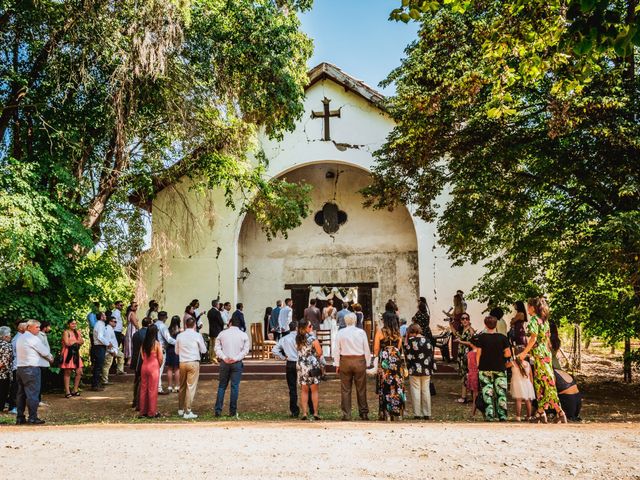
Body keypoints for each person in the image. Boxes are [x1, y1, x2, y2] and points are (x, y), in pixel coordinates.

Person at [518, 297, 567, 423]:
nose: (527, 308)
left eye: (528, 306)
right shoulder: (544, 321)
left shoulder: (534, 320)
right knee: (540, 383)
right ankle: (541, 412)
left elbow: (533, 339)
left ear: (533, 308)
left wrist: (524, 353)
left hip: (540, 356)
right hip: (545, 354)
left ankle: (560, 412)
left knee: (548, 383)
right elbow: (546, 340)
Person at [473, 316, 511, 422]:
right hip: (500, 368)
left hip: (485, 368)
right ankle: (502, 415)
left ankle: (489, 415)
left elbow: (478, 353)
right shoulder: (503, 338)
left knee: (487, 392)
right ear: (496, 325)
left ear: (485, 325)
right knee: (501, 393)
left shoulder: (481, 337)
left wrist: (477, 365)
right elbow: (508, 353)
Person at [334, 312, 371, 421]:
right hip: (359, 360)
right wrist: (367, 363)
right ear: (355, 320)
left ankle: (346, 414)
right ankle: (363, 413)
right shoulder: (361, 332)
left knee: (345, 389)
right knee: (361, 388)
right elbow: (366, 349)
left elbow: (337, 349)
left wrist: (337, 364)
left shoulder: (341, 332)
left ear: (345, 321)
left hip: (345, 360)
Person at [16, 320, 53, 425]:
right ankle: (32, 417)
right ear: (29, 327)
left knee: (21, 394)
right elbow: (45, 352)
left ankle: (20, 417)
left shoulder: (20, 338)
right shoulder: (33, 339)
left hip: (20, 368)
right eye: (36, 327)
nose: (38, 329)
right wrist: (51, 357)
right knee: (33, 394)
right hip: (31, 369)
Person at [373, 301, 406, 421]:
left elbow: (376, 349)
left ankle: (385, 411)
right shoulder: (398, 333)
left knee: (385, 385)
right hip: (396, 361)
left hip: (385, 361)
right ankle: (396, 410)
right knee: (396, 385)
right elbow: (399, 348)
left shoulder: (381, 332)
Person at [272, 320, 310, 418]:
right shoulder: (303, 338)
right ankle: (311, 409)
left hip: (290, 363)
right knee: (305, 387)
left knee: (292, 388)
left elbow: (274, 350)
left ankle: (294, 411)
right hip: (301, 363)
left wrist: (283, 357)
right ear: (297, 328)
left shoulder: (284, 339)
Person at [214, 316, 250, 418]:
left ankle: (218, 410)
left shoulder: (222, 333)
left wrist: (224, 357)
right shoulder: (243, 335)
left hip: (225, 362)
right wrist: (236, 358)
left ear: (230, 323)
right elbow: (245, 350)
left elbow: (217, 348)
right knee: (234, 387)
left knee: (222, 386)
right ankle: (233, 411)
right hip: (237, 362)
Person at [176, 317, 207, 419]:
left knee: (182, 386)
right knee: (191, 387)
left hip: (182, 363)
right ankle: (187, 412)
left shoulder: (180, 336)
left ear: (185, 325)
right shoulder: (197, 335)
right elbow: (203, 350)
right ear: (194, 325)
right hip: (193, 362)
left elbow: (176, 351)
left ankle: (180, 409)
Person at [405, 323, 435, 420]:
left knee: (415, 391)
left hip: (414, 369)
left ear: (412, 332)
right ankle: (427, 413)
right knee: (426, 390)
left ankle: (417, 413)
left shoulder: (411, 341)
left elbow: (408, 357)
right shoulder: (428, 341)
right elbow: (431, 356)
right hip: (426, 369)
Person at [295, 320, 323, 421]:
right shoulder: (313, 338)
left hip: (301, 365)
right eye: (310, 325)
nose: (311, 327)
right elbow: (319, 352)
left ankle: (304, 413)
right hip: (311, 365)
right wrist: (314, 355)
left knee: (304, 390)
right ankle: (315, 413)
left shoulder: (298, 338)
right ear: (307, 327)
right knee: (314, 390)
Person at [138, 324, 163, 418]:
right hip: (154, 367)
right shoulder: (156, 343)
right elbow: (160, 358)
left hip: (144, 366)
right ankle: (152, 412)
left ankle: (142, 411)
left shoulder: (143, 343)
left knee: (143, 389)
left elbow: (142, 356)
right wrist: (158, 366)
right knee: (152, 389)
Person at [60, 319, 84, 398]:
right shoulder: (66, 332)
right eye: (72, 323)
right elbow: (67, 343)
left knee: (79, 371)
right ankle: (67, 391)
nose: (74, 325)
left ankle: (75, 390)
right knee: (68, 372)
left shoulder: (78, 332)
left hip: (76, 353)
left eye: (75, 324)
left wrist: (74, 342)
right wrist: (76, 342)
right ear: (68, 324)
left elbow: (82, 341)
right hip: (68, 353)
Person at [454, 313, 475, 404]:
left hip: (467, 356)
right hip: (461, 356)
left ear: (469, 320)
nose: (465, 320)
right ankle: (468, 396)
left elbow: (471, 343)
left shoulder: (470, 330)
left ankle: (464, 397)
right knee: (464, 375)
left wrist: (460, 341)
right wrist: (450, 324)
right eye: (463, 319)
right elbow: (455, 334)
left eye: (466, 318)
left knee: (466, 376)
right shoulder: (462, 330)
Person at [510, 346, 535, 421]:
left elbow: (504, 366)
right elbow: (531, 376)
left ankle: (518, 417)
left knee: (518, 400)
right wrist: (532, 385)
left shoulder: (513, 363)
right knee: (527, 400)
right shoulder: (527, 364)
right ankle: (529, 416)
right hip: (527, 383)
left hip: (517, 383)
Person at [131, 318, 150, 409]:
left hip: (135, 360)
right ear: (149, 324)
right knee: (142, 382)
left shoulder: (136, 334)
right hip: (143, 360)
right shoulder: (148, 334)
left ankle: (135, 400)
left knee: (136, 381)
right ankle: (140, 403)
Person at [8, 322, 27, 414]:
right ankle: (12, 406)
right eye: (25, 327)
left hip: (21, 364)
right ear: (20, 329)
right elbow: (15, 353)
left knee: (20, 386)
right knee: (15, 387)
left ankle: (17, 405)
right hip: (17, 365)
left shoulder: (23, 337)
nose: (27, 328)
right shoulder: (17, 339)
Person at [156, 311, 176, 394]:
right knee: (159, 370)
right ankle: (159, 388)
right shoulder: (163, 326)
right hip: (161, 348)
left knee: (155, 369)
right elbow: (169, 339)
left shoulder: (154, 324)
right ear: (164, 317)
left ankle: (155, 387)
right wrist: (179, 342)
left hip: (153, 348)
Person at [92, 312, 111, 391]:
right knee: (98, 366)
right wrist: (107, 343)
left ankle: (96, 383)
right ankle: (95, 385)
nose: (106, 316)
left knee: (98, 366)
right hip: (99, 347)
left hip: (99, 347)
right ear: (101, 317)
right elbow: (100, 337)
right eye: (104, 315)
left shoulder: (100, 324)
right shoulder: (100, 324)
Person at [102, 316, 125, 384]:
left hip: (114, 349)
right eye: (114, 322)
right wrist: (111, 351)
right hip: (110, 350)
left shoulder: (111, 329)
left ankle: (120, 370)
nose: (115, 323)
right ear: (110, 322)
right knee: (107, 365)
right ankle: (104, 380)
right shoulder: (108, 330)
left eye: (116, 322)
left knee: (121, 355)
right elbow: (108, 341)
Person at [443, 292, 465, 359]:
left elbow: (454, 316)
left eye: (454, 300)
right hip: (455, 324)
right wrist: (447, 314)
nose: (453, 301)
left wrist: (450, 317)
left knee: (456, 341)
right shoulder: (458, 307)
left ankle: (456, 356)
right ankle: (456, 356)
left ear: (457, 300)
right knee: (455, 341)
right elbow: (453, 315)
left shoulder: (458, 308)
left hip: (456, 326)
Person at [165, 315, 182, 393]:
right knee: (177, 368)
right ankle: (177, 386)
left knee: (169, 368)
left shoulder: (168, 330)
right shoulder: (180, 330)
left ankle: (169, 386)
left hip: (169, 349)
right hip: (177, 350)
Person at [37, 320, 52, 399]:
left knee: (42, 381)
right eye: (49, 326)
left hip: (44, 361)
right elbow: (41, 349)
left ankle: (39, 399)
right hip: (41, 362)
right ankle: (38, 399)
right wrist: (49, 357)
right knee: (39, 381)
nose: (50, 328)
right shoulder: (39, 335)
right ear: (45, 327)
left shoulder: (43, 335)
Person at [0, 326, 13, 412]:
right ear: (5, 336)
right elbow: (4, 362)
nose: (11, 337)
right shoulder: (7, 345)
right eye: (9, 335)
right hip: (3, 373)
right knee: (2, 391)